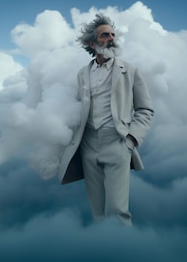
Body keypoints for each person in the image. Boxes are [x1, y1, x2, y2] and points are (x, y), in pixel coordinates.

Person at [58, 14, 153, 226]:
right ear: (92, 43)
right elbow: (77, 108)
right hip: (88, 144)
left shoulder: (130, 70)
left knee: (117, 211)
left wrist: (130, 141)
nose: (111, 38)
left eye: (112, 34)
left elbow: (145, 109)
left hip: (117, 142)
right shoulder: (82, 73)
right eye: (105, 35)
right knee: (97, 211)